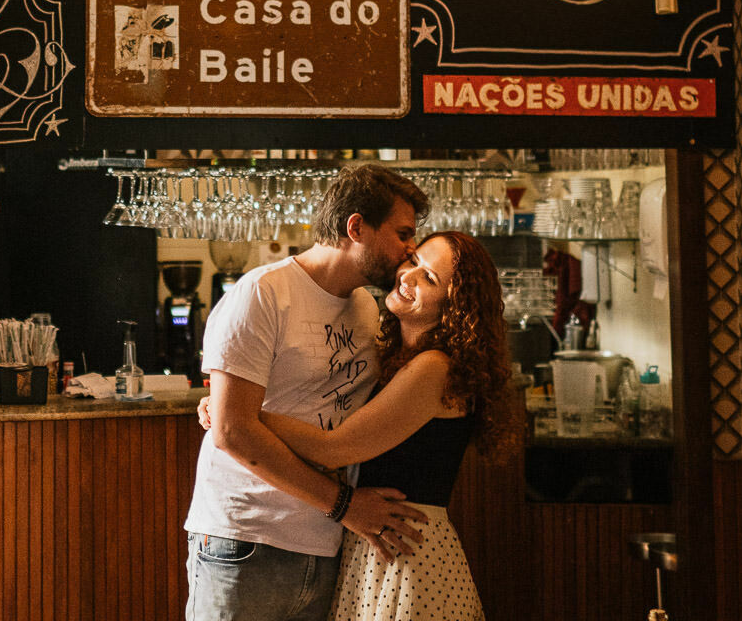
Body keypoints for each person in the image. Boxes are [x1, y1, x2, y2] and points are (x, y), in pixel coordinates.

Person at [208, 230, 515, 621]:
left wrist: (237, 412)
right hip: (385, 543)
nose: (409, 276)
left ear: (454, 306)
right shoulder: (400, 356)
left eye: (429, 278)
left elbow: (333, 448)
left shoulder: (434, 368)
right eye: (414, 261)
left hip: (406, 555)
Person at [184, 165, 432, 621]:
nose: (411, 248)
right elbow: (232, 432)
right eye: (403, 233)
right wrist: (345, 506)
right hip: (246, 538)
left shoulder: (366, 307)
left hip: (327, 542)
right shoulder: (262, 293)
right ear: (356, 227)